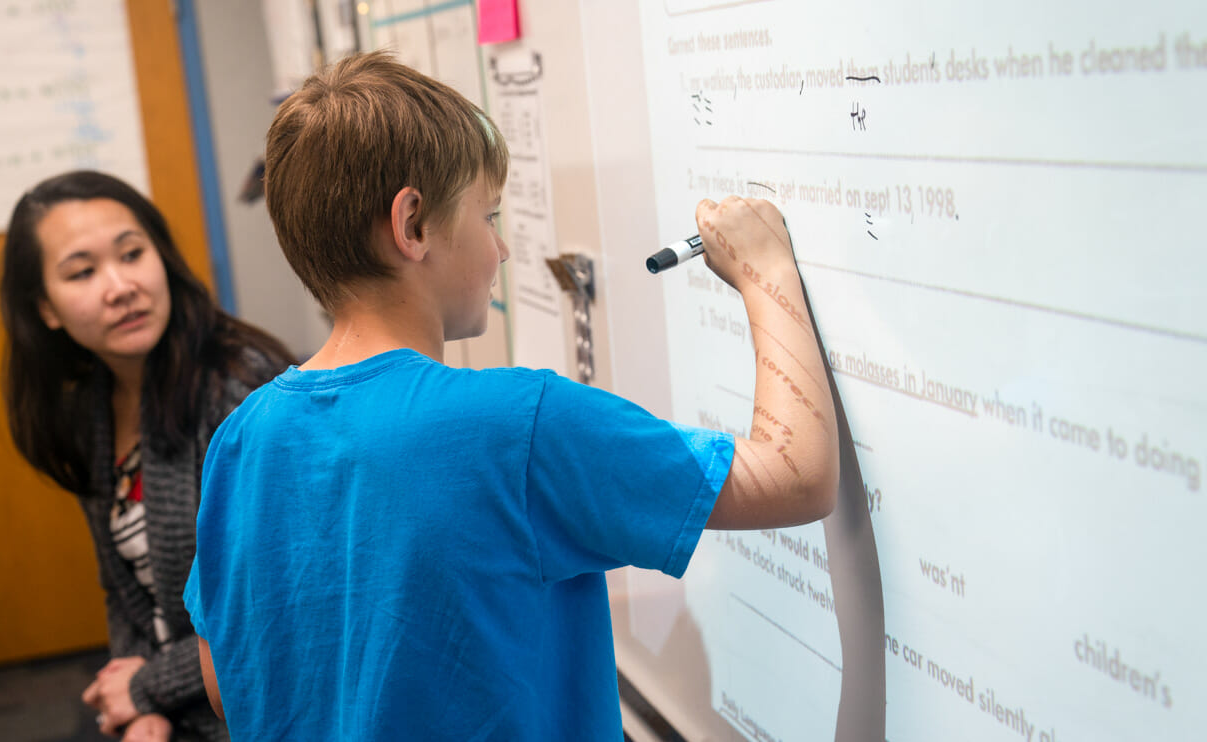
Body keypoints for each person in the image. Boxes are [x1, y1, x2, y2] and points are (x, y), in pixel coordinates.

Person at [183, 51, 839, 740]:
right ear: (412, 226)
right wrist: (765, 273)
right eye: (487, 216)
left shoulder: (242, 437)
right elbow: (796, 478)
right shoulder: (515, 425)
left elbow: (226, 686)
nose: (501, 251)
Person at [0, 170, 294, 741]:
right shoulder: (90, 409)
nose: (119, 286)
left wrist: (146, 690)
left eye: (132, 254)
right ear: (46, 309)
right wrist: (144, 706)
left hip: (256, 706)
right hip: (179, 699)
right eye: (82, 272)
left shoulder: (237, 391)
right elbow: (125, 592)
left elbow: (273, 608)